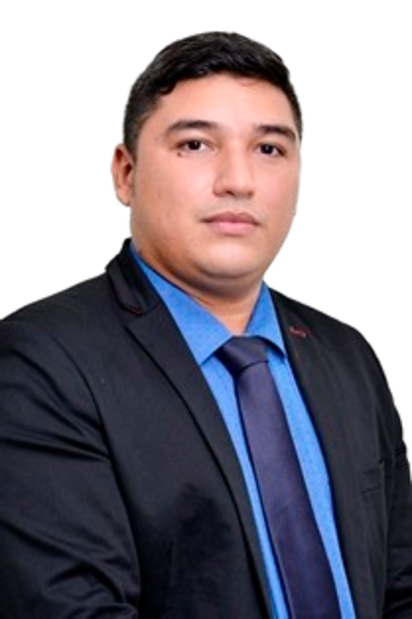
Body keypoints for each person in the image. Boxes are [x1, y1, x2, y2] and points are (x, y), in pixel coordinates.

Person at [0, 28, 411, 619]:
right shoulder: (42, 361)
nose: (237, 180)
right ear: (123, 172)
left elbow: (399, 585)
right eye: (195, 144)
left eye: (269, 149)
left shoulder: (346, 351)